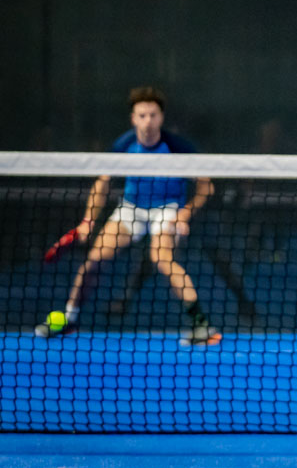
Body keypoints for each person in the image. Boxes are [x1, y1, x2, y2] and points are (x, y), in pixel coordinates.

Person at [35, 87, 221, 347]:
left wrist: (185, 214)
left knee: (162, 259)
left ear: (161, 117)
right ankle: (70, 318)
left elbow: (206, 186)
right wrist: (88, 221)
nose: (148, 121)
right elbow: (102, 184)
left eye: (153, 115)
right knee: (94, 260)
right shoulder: (124, 145)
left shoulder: (177, 147)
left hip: (167, 209)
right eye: (142, 115)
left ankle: (201, 325)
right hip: (131, 209)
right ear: (133, 118)